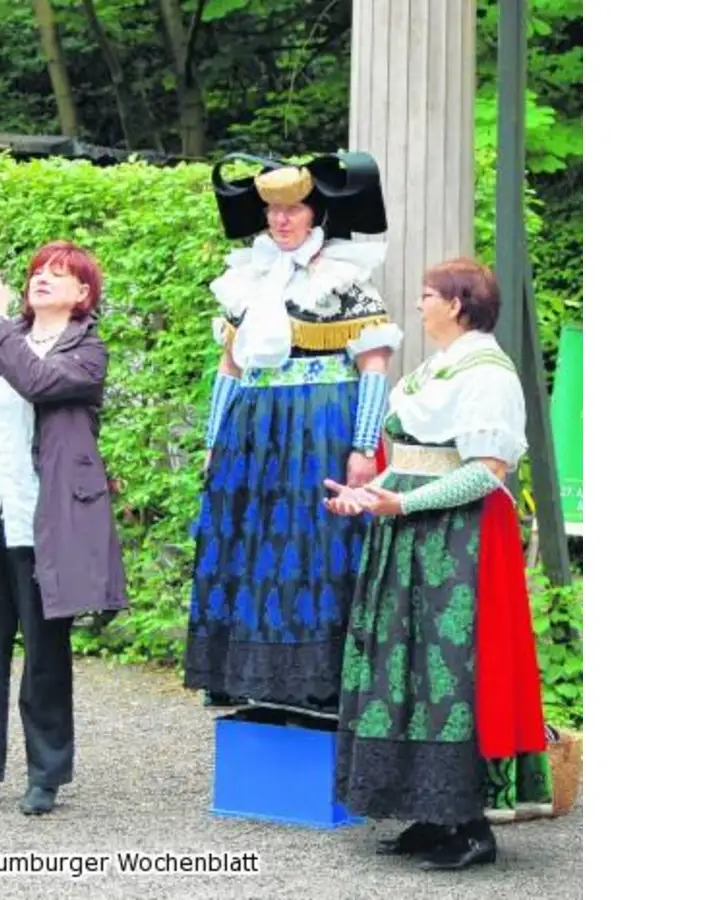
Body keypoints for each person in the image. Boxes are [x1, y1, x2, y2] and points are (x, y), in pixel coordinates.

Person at [324, 256, 550, 871]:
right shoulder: (436, 369)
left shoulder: (488, 374)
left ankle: (471, 827)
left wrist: (404, 503)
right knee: (410, 671)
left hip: (461, 543)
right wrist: (366, 497)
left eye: (427, 295)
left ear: (457, 304)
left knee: (453, 670)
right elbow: (411, 456)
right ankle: (428, 810)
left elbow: (485, 471)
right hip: (412, 535)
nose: (418, 304)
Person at [184, 152, 403, 714]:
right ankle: (245, 672)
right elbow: (230, 368)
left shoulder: (346, 280)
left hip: (319, 421)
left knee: (314, 545)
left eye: (294, 208)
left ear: (315, 214)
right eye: (273, 210)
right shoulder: (249, 280)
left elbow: (374, 366)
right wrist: (214, 440)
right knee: (248, 537)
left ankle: (319, 679)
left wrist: (361, 447)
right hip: (253, 429)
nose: (282, 220)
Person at [0, 241, 127, 816]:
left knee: (44, 659)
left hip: (45, 527)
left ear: (82, 293)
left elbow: (37, 381)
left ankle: (46, 776)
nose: (41, 279)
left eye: (58, 274)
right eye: (37, 271)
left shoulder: (88, 352)